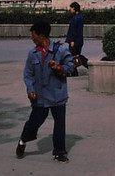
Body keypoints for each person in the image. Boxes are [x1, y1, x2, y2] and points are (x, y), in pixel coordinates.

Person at [16, 20, 74, 162]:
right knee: (35, 122)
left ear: (41, 35)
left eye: (33, 34)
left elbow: (70, 67)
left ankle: (59, 152)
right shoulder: (33, 53)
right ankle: (23, 139)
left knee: (59, 124)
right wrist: (30, 89)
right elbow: (28, 74)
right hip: (39, 96)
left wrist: (59, 68)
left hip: (57, 94)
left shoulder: (60, 50)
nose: (31, 37)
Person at [66, 2, 84, 76]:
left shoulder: (75, 19)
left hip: (74, 41)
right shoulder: (81, 17)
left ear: (74, 8)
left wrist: (72, 40)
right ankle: (74, 71)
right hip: (80, 40)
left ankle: (74, 72)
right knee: (76, 55)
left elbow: (73, 31)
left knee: (72, 56)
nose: (70, 9)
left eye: (71, 8)